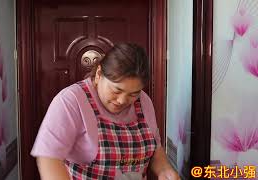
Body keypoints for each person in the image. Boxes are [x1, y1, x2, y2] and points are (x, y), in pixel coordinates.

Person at [31, 43, 180, 180]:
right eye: (117, 90)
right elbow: (49, 157)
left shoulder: (144, 101)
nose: (122, 100)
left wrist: (165, 171)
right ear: (99, 74)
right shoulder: (71, 100)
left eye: (133, 94)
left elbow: (155, 148)